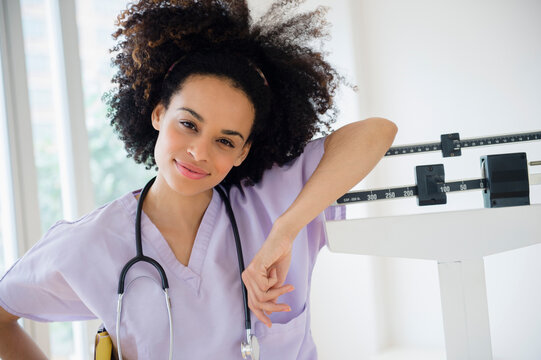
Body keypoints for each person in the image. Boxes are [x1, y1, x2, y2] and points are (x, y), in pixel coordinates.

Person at [0, 0, 396, 359]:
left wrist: (285, 231)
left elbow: (377, 132)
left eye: (226, 140)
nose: (200, 152)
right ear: (158, 114)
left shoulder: (276, 200)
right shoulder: (90, 244)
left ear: (243, 152)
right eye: (188, 124)